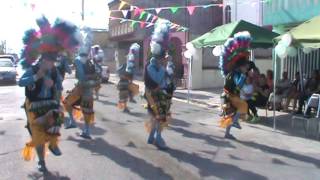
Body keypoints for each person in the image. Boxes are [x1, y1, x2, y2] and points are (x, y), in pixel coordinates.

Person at [19, 16, 79, 172]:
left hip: (50, 103)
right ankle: (42, 162)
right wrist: (37, 77)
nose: (52, 64)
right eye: (50, 61)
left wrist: (56, 86)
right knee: (38, 134)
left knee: (58, 116)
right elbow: (21, 82)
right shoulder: (32, 69)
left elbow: (59, 85)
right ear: (43, 59)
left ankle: (53, 144)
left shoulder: (53, 71)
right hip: (34, 105)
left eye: (53, 62)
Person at [63, 28, 100, 139]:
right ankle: (85, 129)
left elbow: (82, 77)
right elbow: (96, 75)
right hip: (87, 88)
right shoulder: (89, 60)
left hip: (82, 88)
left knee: (68, 103)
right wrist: (92, 78)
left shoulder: (81, 60)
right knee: (86, 110)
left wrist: (89, 78)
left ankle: (78, 125)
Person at [144, 21, 173, 149]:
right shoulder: (151, 67)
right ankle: (158, 139)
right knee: (160, 117)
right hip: (153, 96)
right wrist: (163, 69)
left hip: (161, 96)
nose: (164, 59)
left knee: (157, 118)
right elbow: (157, 79)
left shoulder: (159, 66)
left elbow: (165, 81)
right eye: (162, 58)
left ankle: (151, 137)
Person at [219, 31, 251, 140]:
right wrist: (244, 78)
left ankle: (227, 133)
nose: (246, 68)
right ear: (241, 66)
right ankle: (235, 122)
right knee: (243, 106)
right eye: (245, 66)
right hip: (230, 97)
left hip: (227, 96)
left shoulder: (232, 72)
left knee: (230, 116)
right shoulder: (237, 74)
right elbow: (239, 84)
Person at [116, 43, 141, 113]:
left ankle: (127, 102)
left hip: (126, 83)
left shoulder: (131, 66)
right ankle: (125, 107)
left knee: (132, 90)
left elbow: (131, 75)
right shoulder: (125, 66)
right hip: (123, 83)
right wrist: (124, 76)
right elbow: (119, 71)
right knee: (124, 95)